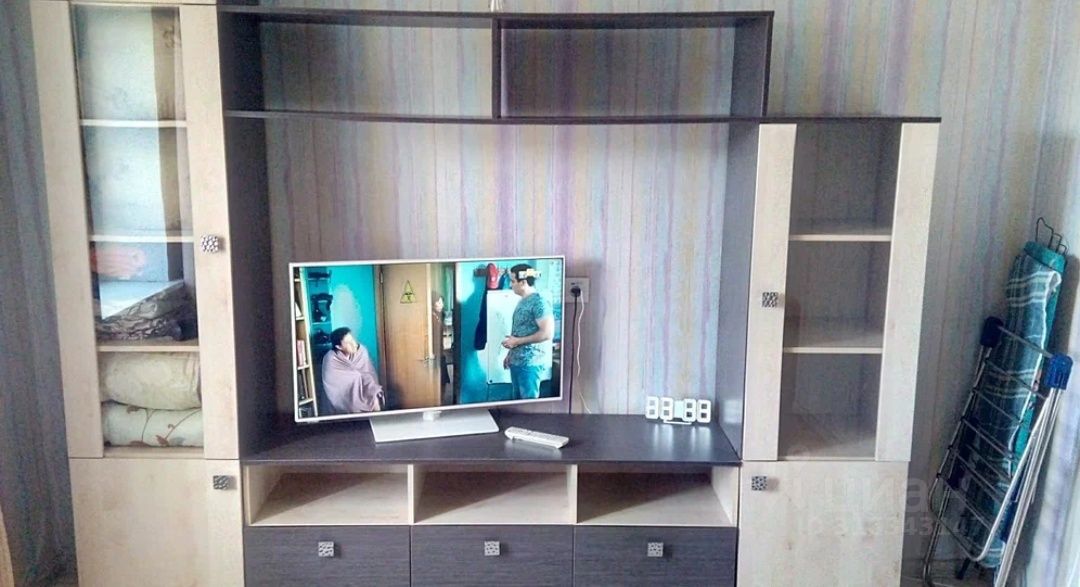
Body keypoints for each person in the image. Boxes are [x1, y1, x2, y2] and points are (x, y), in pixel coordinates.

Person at [501, 264, 554, 399]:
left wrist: (517, 341)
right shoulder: (523, 301)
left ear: (523, 282)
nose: (510, 285)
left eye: (513, 281)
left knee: (528, 405)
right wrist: (510, 354)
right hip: (517, 361)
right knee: (517, 404)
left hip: (530, 363)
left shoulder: (539, 302)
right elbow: (520, 331)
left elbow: (547, 333)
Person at [321, 326, 384, 414]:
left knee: (374, 396)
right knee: (353, 406)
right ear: (339, 347)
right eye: (348, 343)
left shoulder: (361, 350)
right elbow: (333, 384)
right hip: (345, 394)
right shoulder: (331, 359)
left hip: (366, 387)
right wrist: (356, 377)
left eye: (352, 340)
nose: (354, 344)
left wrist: (367, 383)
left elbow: (369, 372)